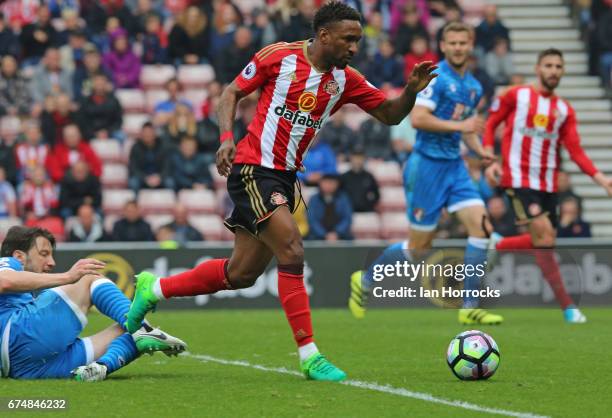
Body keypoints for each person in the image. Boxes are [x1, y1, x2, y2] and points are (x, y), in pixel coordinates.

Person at [123, 1, 436, 382]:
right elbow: (230, 94)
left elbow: (390, 115)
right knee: (292, 249)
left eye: (358, 40)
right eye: (348, 39)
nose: (355, 47)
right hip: (254, 168)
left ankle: (153, 287)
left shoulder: (346, 80)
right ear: (324, 35)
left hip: (285, 178)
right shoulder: (279, 56)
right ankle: (309, 354)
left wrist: (410, 91)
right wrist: (226, 139)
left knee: (241, 274)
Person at [349, 22, 503, 325]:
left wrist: (480, 150)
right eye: (452, 43)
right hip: (427, 167)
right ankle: (364, 280)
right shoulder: (437, 79)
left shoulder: (473, 86)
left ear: (471, 45)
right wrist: (462, 129)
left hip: (455, 167)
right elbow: (419, 119)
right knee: (419, 248)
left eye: (463, 42)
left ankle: (469, 305)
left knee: (482, 229)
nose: (458, 47)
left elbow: (467, 125)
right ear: (443, 46)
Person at [484, 48, 612, 323]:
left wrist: (601, 179)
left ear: (563, 71)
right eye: (549, 65)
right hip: (519, 179)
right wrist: (488, 155)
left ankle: (499, 244)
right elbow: (491, 122)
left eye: (558, 66)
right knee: (543, 236)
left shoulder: (564, 109)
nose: (554, 70)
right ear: (538, 67)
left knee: (546, 243)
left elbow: (575, 150)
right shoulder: (516, 95)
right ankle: (568, 308)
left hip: (548, 184)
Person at [0, 225, 186, 381]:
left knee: (128, 332)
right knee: (89, 276)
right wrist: (67, 277)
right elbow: (4, 281)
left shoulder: (22, 296)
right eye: (44, 254)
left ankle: (102, 367)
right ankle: (142, 328)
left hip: (23, 370)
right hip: (16, 335)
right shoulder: (7, 262)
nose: (52, 262)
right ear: (19, 257)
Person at [307, 173, 353, 240]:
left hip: (340, 235)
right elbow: (312, 220)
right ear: (320, 184)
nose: (328, 185)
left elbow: (347, 218)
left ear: (337, 184)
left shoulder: (343, 198)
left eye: (331, 183)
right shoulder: (314, 199)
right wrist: (323, 234)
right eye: (326, 182)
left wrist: (337, 232)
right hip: (317, 235)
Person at [340, 148, 380, 212]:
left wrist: (369, 204)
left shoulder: (369, 176)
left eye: (360, 158)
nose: (357, 160)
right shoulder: (344, 177)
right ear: (351, 158)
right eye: (355, 157)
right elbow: (339, 195)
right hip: (348, 212)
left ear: (364, 159)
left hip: (366, 213)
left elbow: (376, 195)